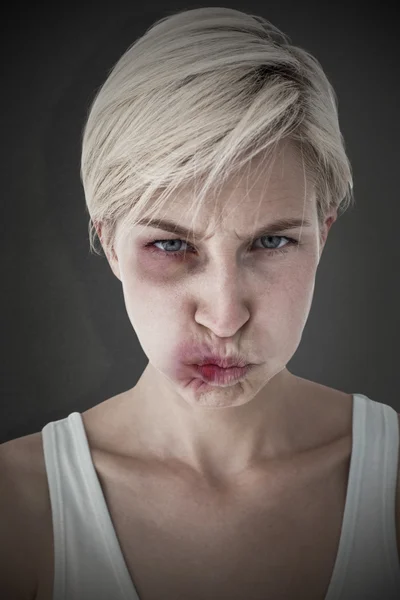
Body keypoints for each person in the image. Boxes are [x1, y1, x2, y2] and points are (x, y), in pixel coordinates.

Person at [1, 6, 399, 600]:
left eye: (272, 241)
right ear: (110, 243)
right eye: (170, 244)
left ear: (324, 235)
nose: (224, 315)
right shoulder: (15, 504)